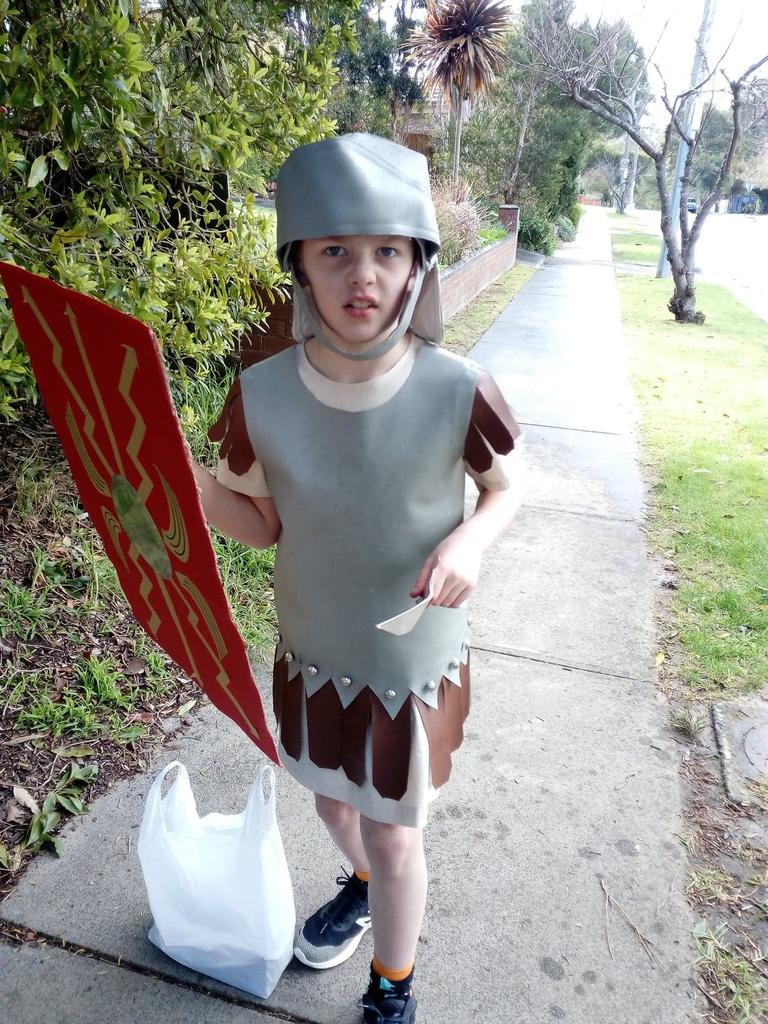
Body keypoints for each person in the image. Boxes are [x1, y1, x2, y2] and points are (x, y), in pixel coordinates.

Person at [192, 133, 526, 1024]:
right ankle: (365, 883)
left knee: (391, 823)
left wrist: (473, 542)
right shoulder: (260, 396)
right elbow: (260, 527)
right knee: (335, 803)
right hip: (313, 651)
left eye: (386, 251)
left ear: (419, 262)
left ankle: (392, 984)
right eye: (334, 250)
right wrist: (187, 488)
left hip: (408, 660)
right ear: (298, 262)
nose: (361, 276)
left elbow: (506, 490)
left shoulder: (461, 390)